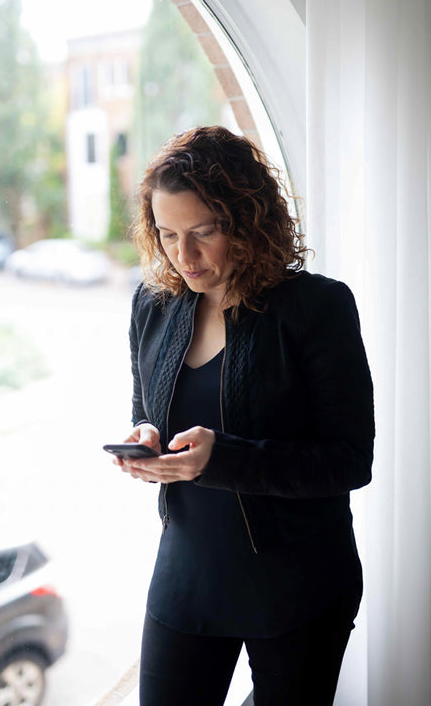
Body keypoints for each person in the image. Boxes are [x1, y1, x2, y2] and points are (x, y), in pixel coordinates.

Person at [113, 125, 374, 706]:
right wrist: (146, 437)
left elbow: (350, 460)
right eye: (169, 234)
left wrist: (224, 459)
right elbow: (146, 409)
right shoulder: (153, 306)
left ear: (248, 220)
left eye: (204, 233)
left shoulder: (316, 308)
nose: (184, 257)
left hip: (297, 584)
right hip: (188, 569)